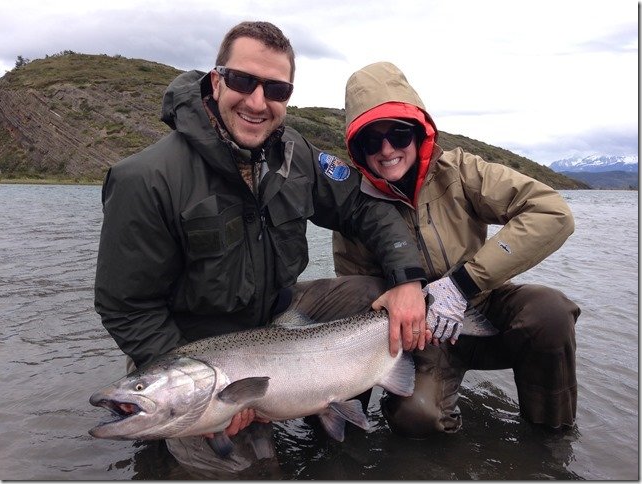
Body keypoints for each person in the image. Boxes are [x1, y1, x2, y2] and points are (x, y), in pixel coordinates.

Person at [94, 24, 429, 476]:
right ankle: (169, 431)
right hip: (189, 348)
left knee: (373, 290)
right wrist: (205, 392)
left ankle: (330, 393)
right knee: (256, 473)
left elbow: (365, 205)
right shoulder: (146, 179)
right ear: (216, 80)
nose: (257, 101)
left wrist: (408, 280)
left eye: (276, 88)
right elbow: (126, 307)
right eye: (241, 81)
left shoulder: (297, 156)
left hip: (277, 319)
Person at [333, 61, 581, 437]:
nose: (387, 150)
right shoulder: (352, 208)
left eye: (399, 135)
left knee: (550, 313)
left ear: (418, 133)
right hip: (421, 338)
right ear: (357, 148)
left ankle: (551, 439)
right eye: (371, 140)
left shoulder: (462, 171)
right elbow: (358, 295)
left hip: (484, 307)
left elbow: (552, 212)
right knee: (417, 418)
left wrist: (461, 285)